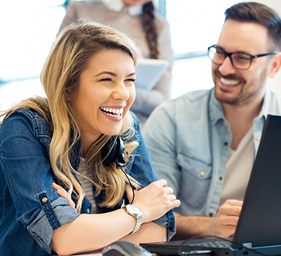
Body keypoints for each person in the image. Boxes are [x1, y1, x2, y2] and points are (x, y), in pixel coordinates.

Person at [0, 21, 180, 256]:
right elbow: (63, 240)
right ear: (67, 87)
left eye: (130, 80)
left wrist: (81, 230)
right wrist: (138, 212)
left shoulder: (127, 128)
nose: (124, 94)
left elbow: (159, 231)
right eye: (107, 79)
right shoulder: (23, 128)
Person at [143, 2, 281, 240]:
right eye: (220, 52)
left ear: (274, 65)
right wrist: (209, 226)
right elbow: (151, 216)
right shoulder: (171, 118)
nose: (224, 67)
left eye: (242, 58)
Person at [59, 0, 174, 127]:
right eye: (106, 78)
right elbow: (57, 73)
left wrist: (123, 92)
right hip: (78, 124)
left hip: (135, 130)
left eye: (130, 79)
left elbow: (162, 99)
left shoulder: (160, 26)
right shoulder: (81, 8)